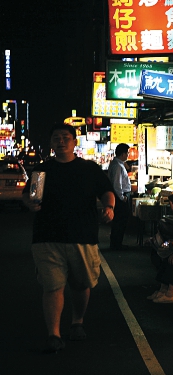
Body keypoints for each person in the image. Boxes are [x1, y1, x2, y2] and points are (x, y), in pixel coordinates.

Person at [22, 123, 116, 353]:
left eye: (65, 137)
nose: (61, 141)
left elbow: (106, 190)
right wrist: (31, 203)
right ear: (51, 143)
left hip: (82, 236)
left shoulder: (89, 169)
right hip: (47, 237)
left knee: (80, 283)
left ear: (74, 141)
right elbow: (31, 195)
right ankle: (53, 334)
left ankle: (77, 321)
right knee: (52, 286)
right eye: (56, 138)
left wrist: (109, 206)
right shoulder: (42, 170)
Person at [107, 143, 131, 250]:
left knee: (119, 221)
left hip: (119, 196)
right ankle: (116, 244)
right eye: (127, 153)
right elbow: (117, 184)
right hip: (120, 197)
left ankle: (117, 243)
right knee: (120, 221)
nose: (128, 155)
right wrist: (122, 197)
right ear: (123, 153)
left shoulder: (118, 164)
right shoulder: (117, 166)